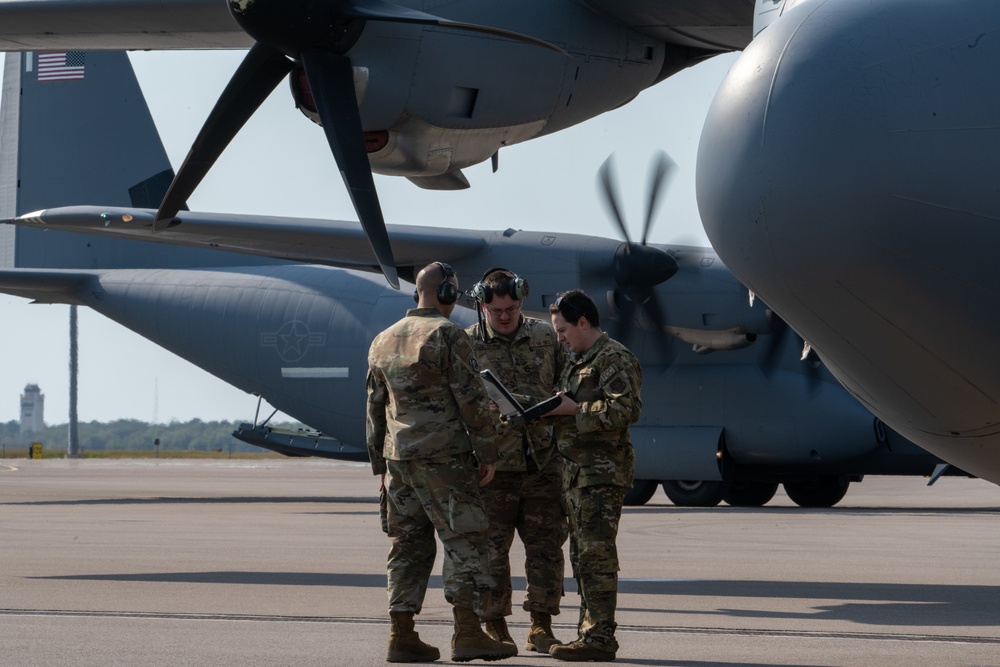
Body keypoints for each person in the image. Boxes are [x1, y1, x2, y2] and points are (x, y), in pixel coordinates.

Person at [366, 261, 516, 663]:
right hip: (444, 458)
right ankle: (467, 632)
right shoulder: (447, 334)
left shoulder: (382, 339)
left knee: (407, 546)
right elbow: (472, 401)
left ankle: (402, 635)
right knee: (464, 539)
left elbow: (374, 409)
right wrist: (488, 453)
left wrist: (379, 467)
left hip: (398, 460)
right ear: (447, 292)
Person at [465, 268, 569, 654]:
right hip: (492, 467)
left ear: (522, 301)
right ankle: (495, 627)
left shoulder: (546, 337)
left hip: (542, 460)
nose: (504, 316)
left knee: (546, 549)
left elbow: (567, 385)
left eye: (511, 308)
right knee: (491, 551)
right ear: (482, 306)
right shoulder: (467, 344)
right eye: (495, 310)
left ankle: (540, 626)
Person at [545, 289, 642, 662]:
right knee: (582, 556)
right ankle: (588, 632)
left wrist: (574, 410)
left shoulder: (613, 358)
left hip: (601, 475)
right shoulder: (580, 359)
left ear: (584, 322)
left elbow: (626, 410)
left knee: (596, 557)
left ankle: (600, 638)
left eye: (564, 329)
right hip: (577, 475)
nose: (560, 338)